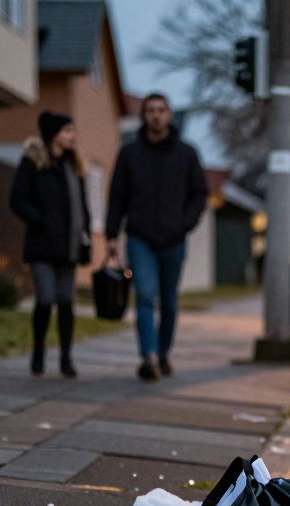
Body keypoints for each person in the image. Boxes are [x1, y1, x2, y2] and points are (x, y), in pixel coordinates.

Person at [105, 93, 208, 381]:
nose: (156, 115)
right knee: (145, 296)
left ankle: (163, 354)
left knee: (169, 302)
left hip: (174, 240)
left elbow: (199, 194)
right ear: (144, 116)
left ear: (169, 115)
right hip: (140, 238)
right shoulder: (130, 153)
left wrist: (185, 224)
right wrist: (112, 234)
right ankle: (148, 357)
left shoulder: (186, 153)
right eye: (150, 110)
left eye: (161, 110)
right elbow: (117, 196)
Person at [9, 111, 91, 378]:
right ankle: (38, 350)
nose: (72, 136)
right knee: (45, 299)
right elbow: (17, 200)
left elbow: (83, 208)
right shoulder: (33, 163)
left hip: (69, 246)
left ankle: (66, 358)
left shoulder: (73, 166)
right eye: (67, 131)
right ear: (54, 134)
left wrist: (86, 239)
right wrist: (39, 220)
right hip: (42, 245)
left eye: (72, 131)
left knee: (66, 302)